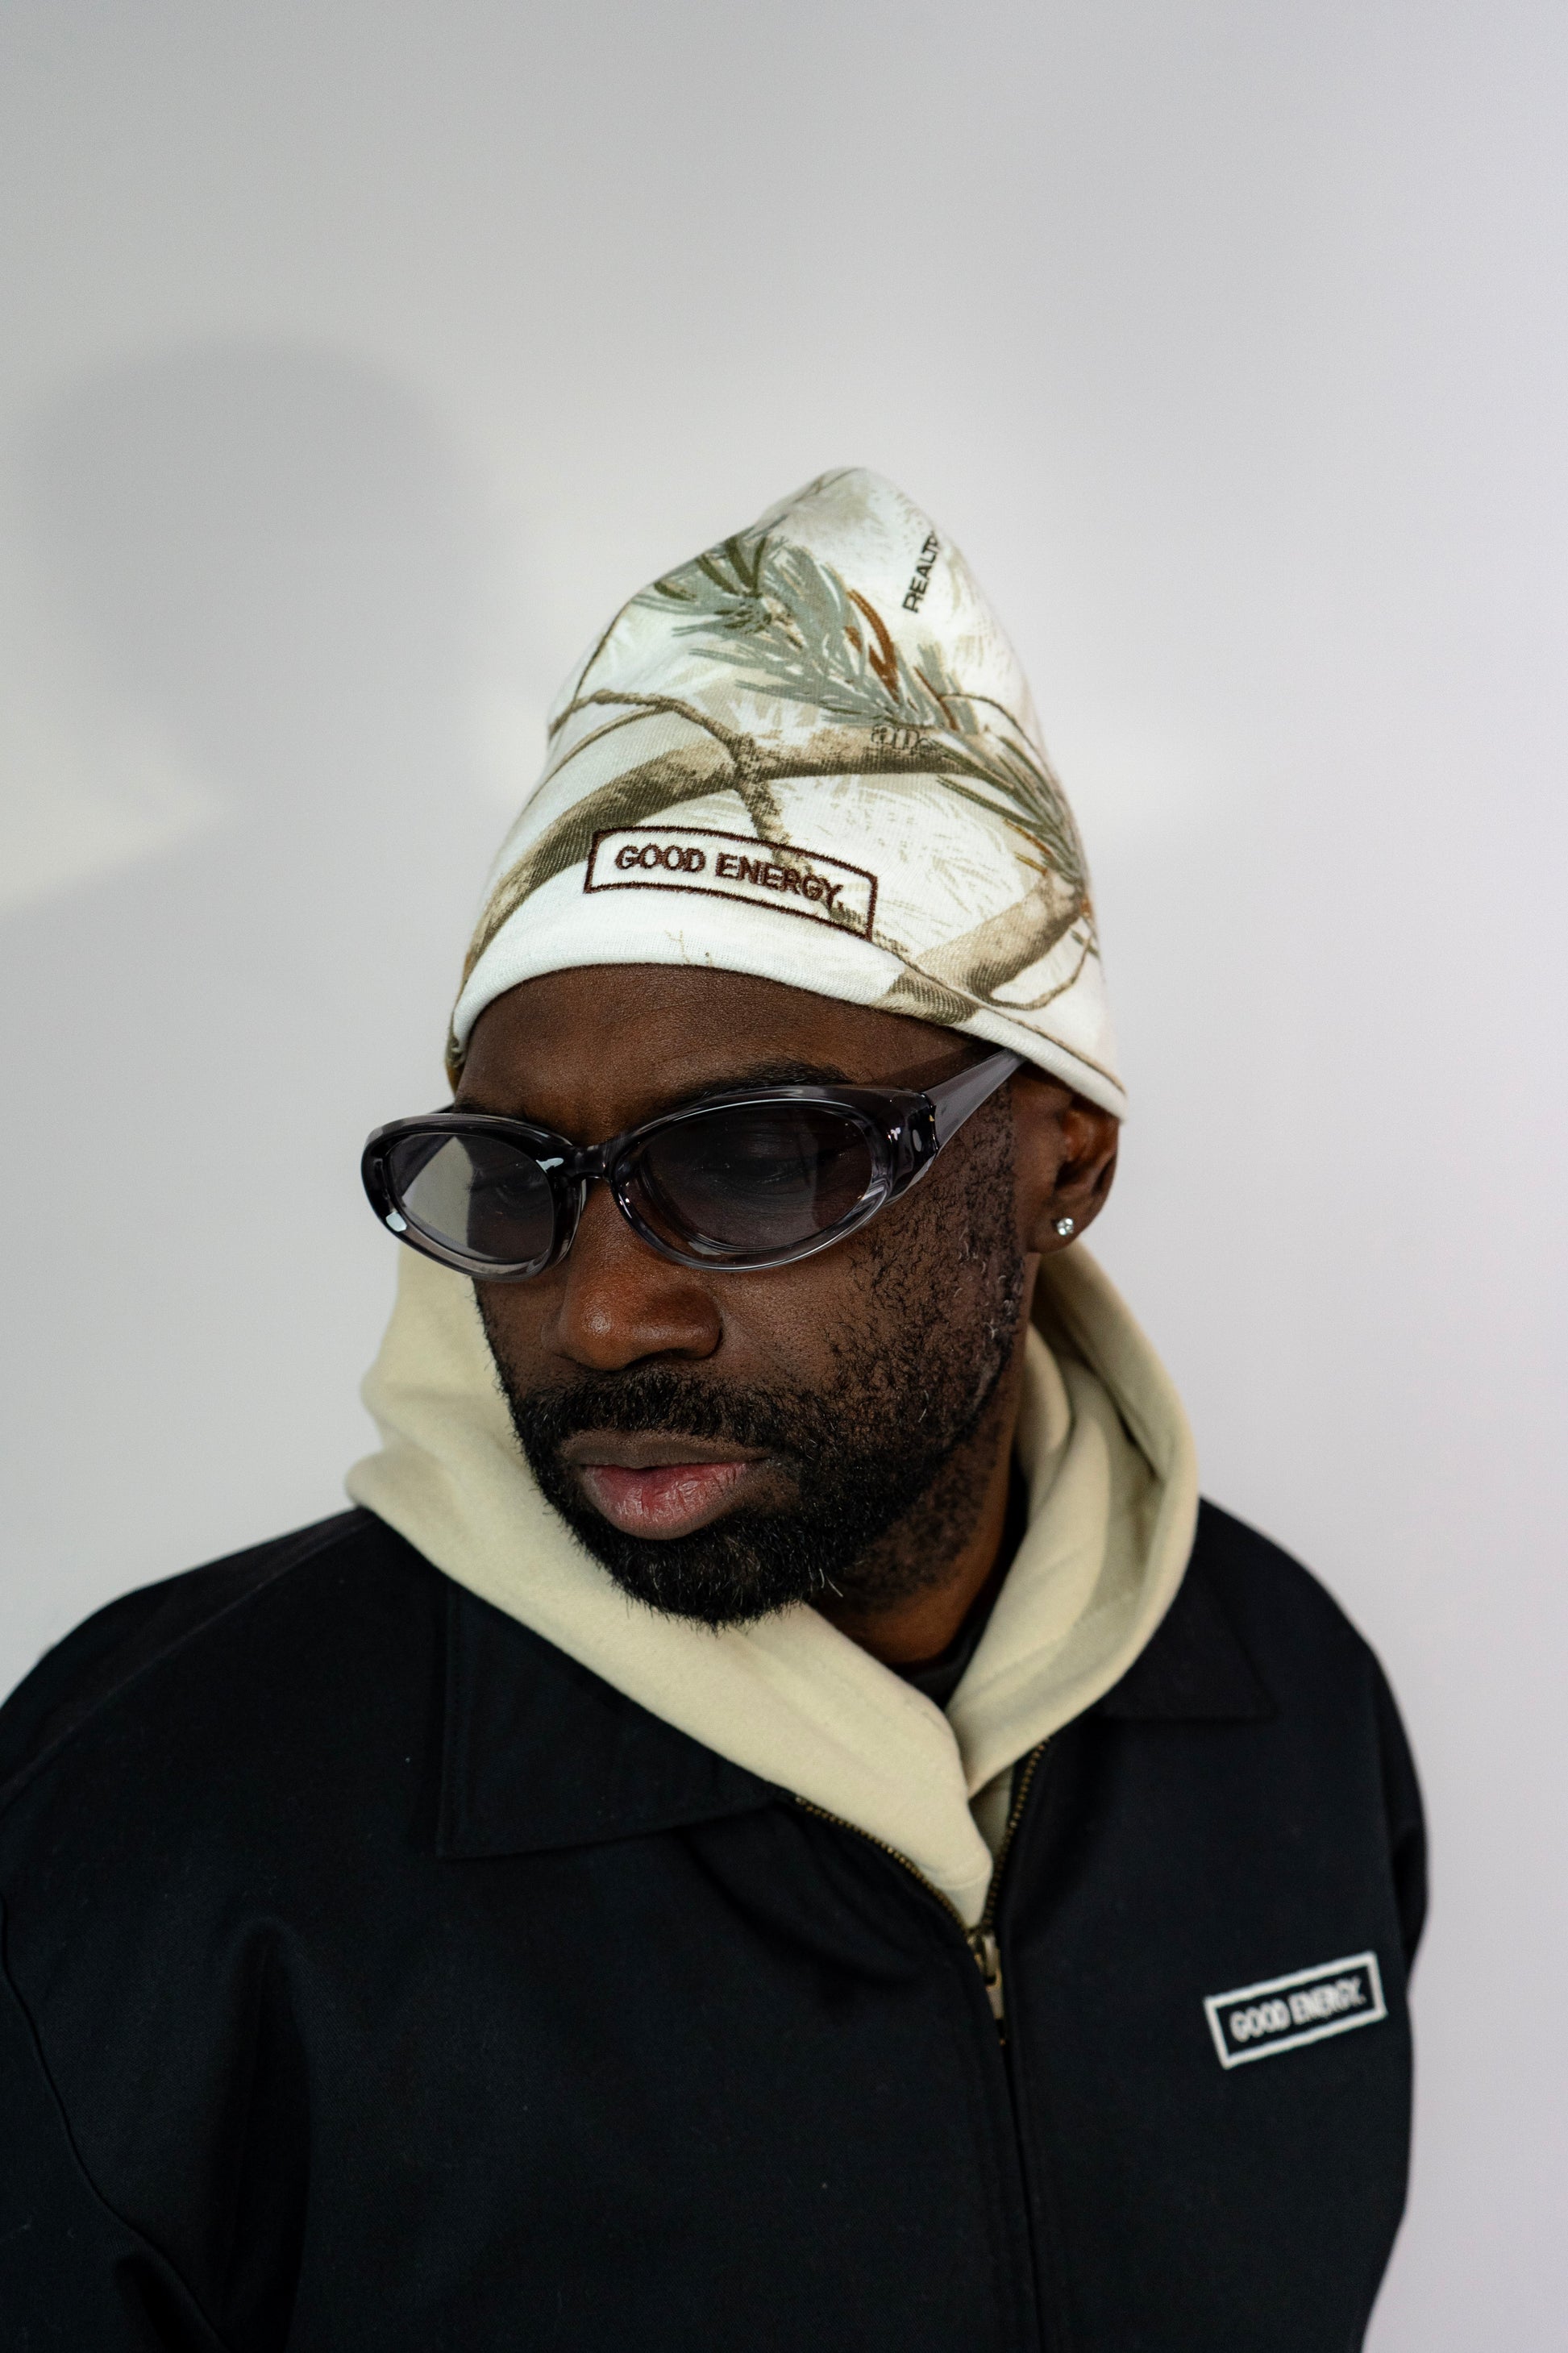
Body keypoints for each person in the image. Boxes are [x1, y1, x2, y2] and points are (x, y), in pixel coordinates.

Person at [0, 470, 1423, 2351]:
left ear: (1057, 1156)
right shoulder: (158, 1813)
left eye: (753, 1159)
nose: (599, 1312)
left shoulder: (1285, 1702)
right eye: (516, 1178)